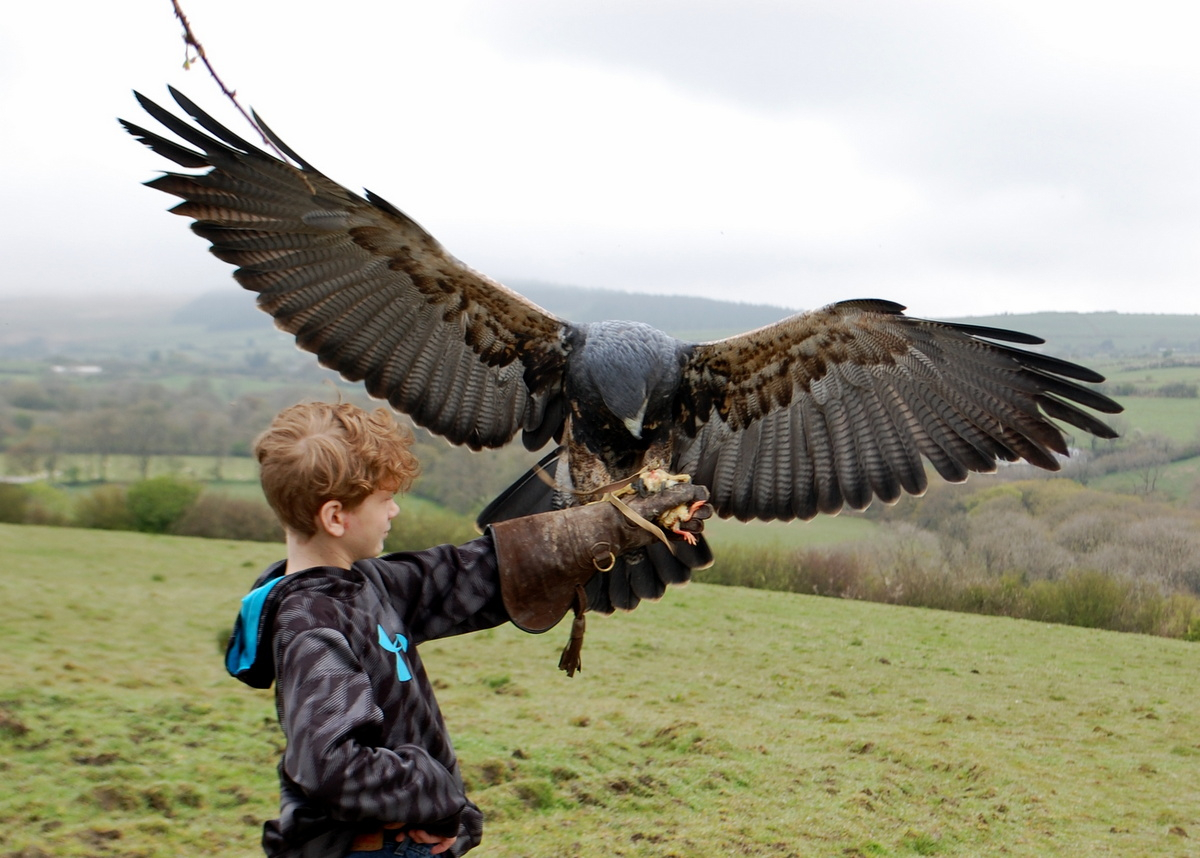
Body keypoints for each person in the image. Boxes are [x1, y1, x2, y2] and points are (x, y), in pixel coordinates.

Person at [224, 401, 711, 858]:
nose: (394, 510)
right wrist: (434, 793)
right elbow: (331, 768)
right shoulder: (313, 627)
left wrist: (607, 525)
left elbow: (469, 575)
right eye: (385, 499)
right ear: (335, 517)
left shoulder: (363, 584)